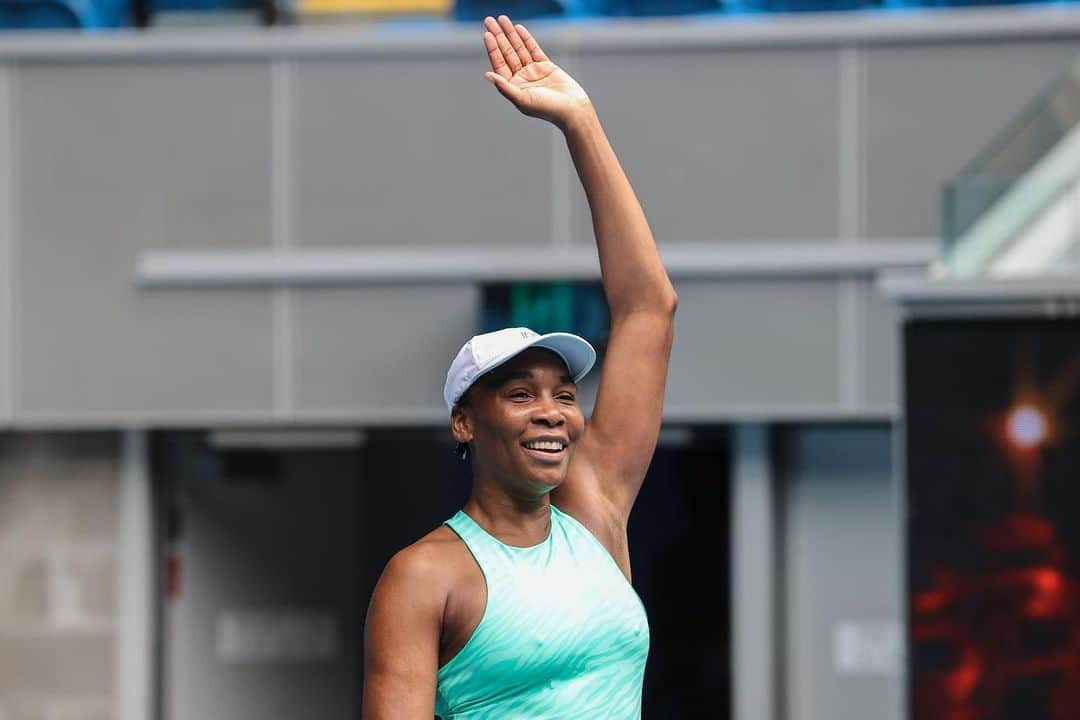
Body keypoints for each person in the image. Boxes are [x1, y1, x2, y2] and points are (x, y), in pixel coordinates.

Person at [363, 14, 678, 719]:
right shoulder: (423, 575)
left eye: (565, 394)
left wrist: (581, 123)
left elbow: (647, 309)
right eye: (520, 393)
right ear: (465, 422)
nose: (553, 411)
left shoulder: (595, 514)